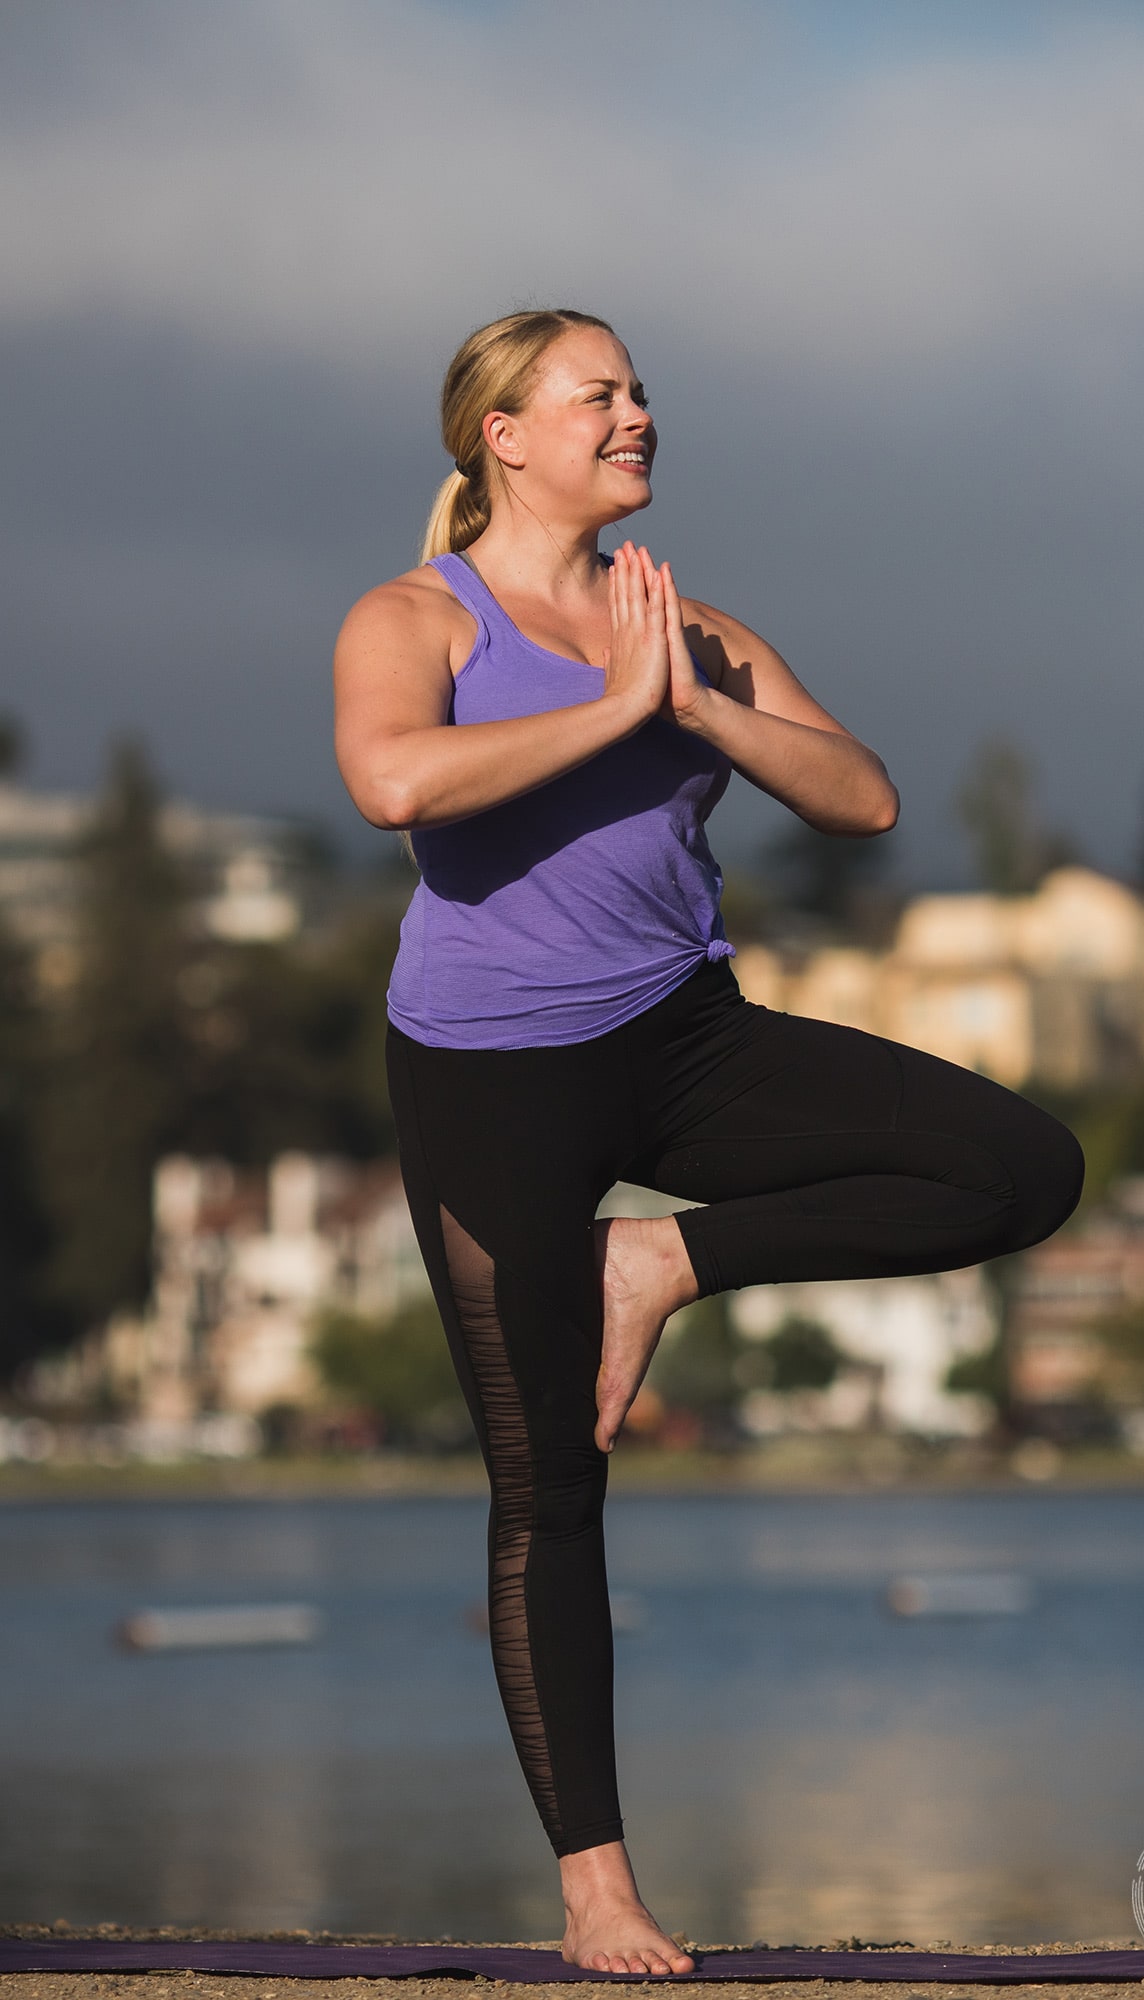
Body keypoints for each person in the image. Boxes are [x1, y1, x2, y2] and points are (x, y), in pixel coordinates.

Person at [333, 308, 1084, 1976]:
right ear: (502, 437)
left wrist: (693, 700)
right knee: (548, 1485)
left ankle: (660, 1259)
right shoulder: (415, 616)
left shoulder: (689, 625)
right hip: (489, 1076)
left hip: (682, 1039)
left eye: (639, 391)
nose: (636, 413)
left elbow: (864, 797)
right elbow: (391, 779)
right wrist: (613, 711)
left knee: (1023, 1168)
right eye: (597, 394)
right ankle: (597, 1891)